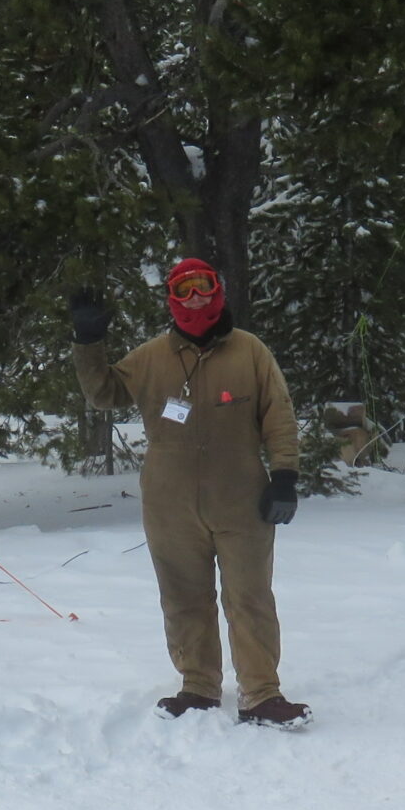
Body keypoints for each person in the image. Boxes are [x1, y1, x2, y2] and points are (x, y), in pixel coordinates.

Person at [71, 260, 311, 726]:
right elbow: (102, 393)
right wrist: (88, 342)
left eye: (204, 287)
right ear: (173, 300)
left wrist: (284, 475)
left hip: (241, 499)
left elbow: (278, 415)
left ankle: (261, 694)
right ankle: (198, 686)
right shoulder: (152, 357)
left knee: (249, 597)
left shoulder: (250, 352)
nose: (196, 298)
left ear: (218, 292)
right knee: (183, 597)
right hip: (169, 503)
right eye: (185, 290)